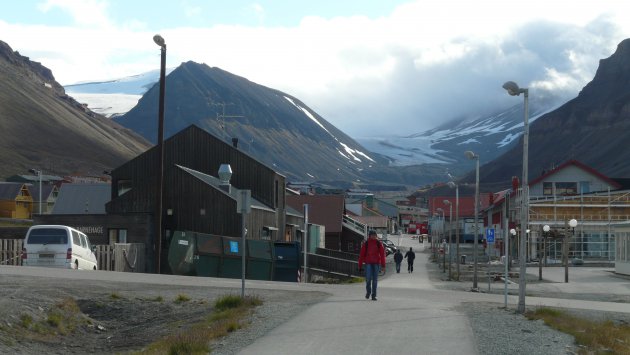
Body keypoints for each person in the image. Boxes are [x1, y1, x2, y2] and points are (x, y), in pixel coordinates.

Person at [358, 230, 386, 301]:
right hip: (368, 263)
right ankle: (368, 292)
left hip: (376, 264)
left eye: (374, 235)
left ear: (376, 236)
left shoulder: (379, 243)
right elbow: (361, 255)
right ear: (369, 236)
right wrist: (360, 265)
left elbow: (382, 255)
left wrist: (383, 265)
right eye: (372, 235)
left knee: (375, 280)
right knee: (368, 279)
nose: (373, 236)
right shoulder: (366, 244)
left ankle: (374, 295)